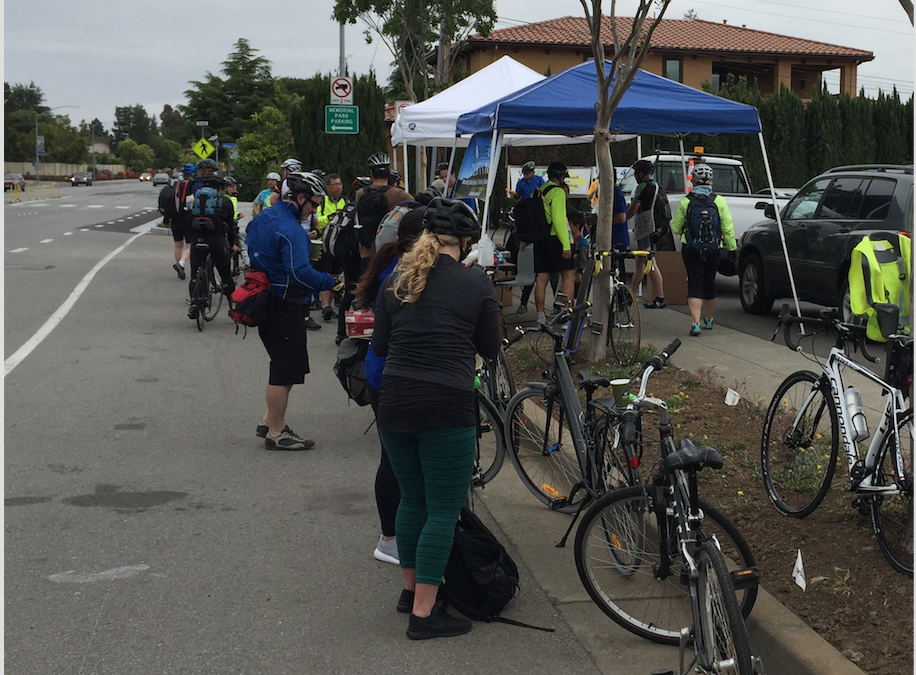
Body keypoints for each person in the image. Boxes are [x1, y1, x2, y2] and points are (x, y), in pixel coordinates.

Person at [372, 197, 501, 640]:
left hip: (395, 401)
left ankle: (411, 591)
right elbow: (491, 347)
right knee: (443, 510)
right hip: (447, 402)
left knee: (412, 500)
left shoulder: (399, 278)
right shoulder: (476, 282)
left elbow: (381, 347)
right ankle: (424, 616)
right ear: (465, 242)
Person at [353, 207, 428, 568]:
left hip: (381, 374)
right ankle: (390, 538)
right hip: (391, 375)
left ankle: (394, 535)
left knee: (395, 458)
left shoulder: (391, 263)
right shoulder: (401, 273)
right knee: (395, 460)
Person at [245, 172, 340, 450]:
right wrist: (330, 282)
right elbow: (299, 274)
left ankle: (268, 421)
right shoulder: (292, 230)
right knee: (284, 369)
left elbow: (251, 247)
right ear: (300, 198)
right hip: (284, 302)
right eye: (313, 205)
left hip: (263, 297)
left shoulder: (264, 217)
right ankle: (277, 433)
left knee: (286, 363)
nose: (315, 211)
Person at [336, 152, 413, 344]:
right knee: (385, 293)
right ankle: (381, 333)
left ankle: (350, 332)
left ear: (371, 173)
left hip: (364, 252)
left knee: (360, 291)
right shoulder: (399, 194)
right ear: (388, 173)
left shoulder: (361, 194)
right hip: (387, 252)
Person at [670, 162, 737, 336]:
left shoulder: (686, 202)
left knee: (694, 283)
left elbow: (676, 228)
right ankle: (709, 319)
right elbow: (727, 227)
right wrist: (732, 247)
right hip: (714, 248)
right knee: (709, 283)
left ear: (694, 180)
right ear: (711, 181)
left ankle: (695, 323)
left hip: (691, 248)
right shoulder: (719, 201)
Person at [186, 175, 238, 319]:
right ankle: (233, 308)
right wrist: (232, 245)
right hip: (216, 240)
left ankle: (194, 303)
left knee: (195, 272)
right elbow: (231, 227)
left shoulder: (194, 199)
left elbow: (188, 219)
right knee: (225, 275)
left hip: (197, 239)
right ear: (220, 188)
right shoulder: (225, 201)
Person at [534, 161, 576, 325]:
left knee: (542, 277)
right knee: (568, 276)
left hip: (539, 239)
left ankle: (540, 316)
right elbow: (559, 220)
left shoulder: (539, 191)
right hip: (555, 239)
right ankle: (565, 316)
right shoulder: (557, 192)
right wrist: (566, 245)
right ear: (560, 176)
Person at [627, 160, 667, 309]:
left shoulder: (642, 187)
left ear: (641, 173)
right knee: (639, 264)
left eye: (636, 173)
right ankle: (630, 294)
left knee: (651, 264)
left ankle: (660, 297)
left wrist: (622, 218)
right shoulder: (657, 186)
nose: (635, 176)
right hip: (654, 228)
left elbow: (633, 210)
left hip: (645, 229)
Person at [315, 173, 347, 321]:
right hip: (324, 243)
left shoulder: (345, 201)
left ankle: (332, 302)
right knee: (324, 272)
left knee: (335, 274)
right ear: (327, 186)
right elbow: (316, 221)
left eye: (340, 184)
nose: (338, 187)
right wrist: (328, 218)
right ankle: (325, 306)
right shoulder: (322, 201)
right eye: (335, 184)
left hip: (339, 244)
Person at [170, 162, 200, 280]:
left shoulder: (176, 184)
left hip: (175, 218)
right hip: (188, 217)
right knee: (190, 245)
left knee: (178, 245)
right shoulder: (193, 185)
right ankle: (181, 263)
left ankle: (180, 266)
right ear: (193, 173)